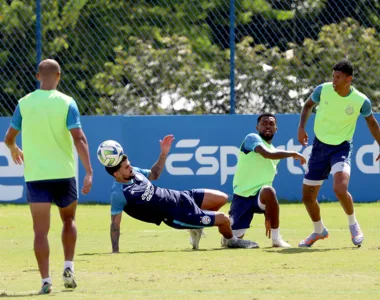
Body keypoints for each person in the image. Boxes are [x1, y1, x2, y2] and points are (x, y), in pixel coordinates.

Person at [4, 59, 93, 294]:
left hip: (36, 177)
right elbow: (79, 138)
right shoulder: (67, 102)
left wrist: (14, 149)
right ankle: (68, 267)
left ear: (37, 77)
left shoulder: (24, 103)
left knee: (40, 232)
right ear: (59, 76)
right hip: (64, 174)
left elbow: (9, 138)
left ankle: (45, 281)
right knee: (69, 220)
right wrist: (89, 171)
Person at [105, 135, 258, 252]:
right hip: (176, 215)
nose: (130, 168)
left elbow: (154, 174)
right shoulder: (119, 194)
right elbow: (115, 225)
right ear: (116, 174)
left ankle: (197, 225)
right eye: (126, 167)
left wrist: (163, 153)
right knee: (224, 220)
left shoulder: (135, 172)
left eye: (129, 164)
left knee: (222, 198)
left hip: (180, 196)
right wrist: (115, 251)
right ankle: (231, 240)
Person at [297, 60, 380, 247]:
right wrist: (301, 127)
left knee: (339, 189)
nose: (334, 81)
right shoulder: (322, 90)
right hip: (319, 147)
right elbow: (307, 106)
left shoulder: (361, 101)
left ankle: (353, 224)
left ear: (348, 79)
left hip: (341, 147)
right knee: (307, 197)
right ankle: (319, 231)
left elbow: (372, 124)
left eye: (338, 77)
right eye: (333, 76)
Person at [226, 113, 306, 248]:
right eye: (264, 123)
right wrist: (292, 153)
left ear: (276, 129)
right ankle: (228, 231)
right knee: (232, 241)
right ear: (257, 127)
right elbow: (267, 154)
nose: (267, 126)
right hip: (242, 197)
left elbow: (266, 183)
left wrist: (267, 215)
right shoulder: (252, 138)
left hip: (260, 197)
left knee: (269, 190)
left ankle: (276, 239)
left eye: (271, 124)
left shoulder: (275, 151)